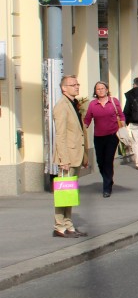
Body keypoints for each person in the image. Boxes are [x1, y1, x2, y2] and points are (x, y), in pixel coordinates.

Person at [51, 75, 90, 237]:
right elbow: (60, 135)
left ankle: (69, 225)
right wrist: (63, 160)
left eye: (77, 84)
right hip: (67, 157)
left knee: (69, 192)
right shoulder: (62, 106)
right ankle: (59, 226)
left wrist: (85, 156)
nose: (76, 86)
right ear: (63, 88)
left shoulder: (73, 104)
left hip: (76, 155)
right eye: (72, 84)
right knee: (63, 192)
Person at [83, 82, 122, 198]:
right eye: (98, 89)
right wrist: (81, 129)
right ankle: (108, 179)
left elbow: (121, 115)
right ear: (95, 91)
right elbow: (88, 119)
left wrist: (123, 127)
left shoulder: (113, 101)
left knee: (108, 160)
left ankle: (106, 187)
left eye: (102, 88)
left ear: (107, 89)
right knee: (100, 161)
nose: (100, 91)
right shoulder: (92, 104)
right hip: (99, 136)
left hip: (112, 135)